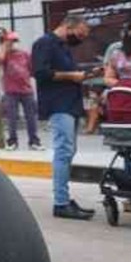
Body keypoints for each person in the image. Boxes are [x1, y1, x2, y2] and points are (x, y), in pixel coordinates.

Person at [33, 13, 98, 220]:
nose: (81, 39)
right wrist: (72, 76)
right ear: (69, 26)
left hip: (70, 105)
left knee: (69, 151)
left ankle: (65, 199)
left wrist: (86, 75)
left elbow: (67, 74)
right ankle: (61, 203)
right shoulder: (44, 43)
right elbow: (41, 73)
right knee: (63, 151)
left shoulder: (64, 47)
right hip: (58, 104)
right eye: (80, 34)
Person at [0, 29, 41, 151]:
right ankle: (12, 141)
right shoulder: (4, 55)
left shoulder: (25, 54)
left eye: (14, 41)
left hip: (26, 90)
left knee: (31, 117)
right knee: (12, 118)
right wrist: (4, 46)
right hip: (11, 91)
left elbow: (31, 70)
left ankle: (34, 141)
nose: (13, 43)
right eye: (10, 41)